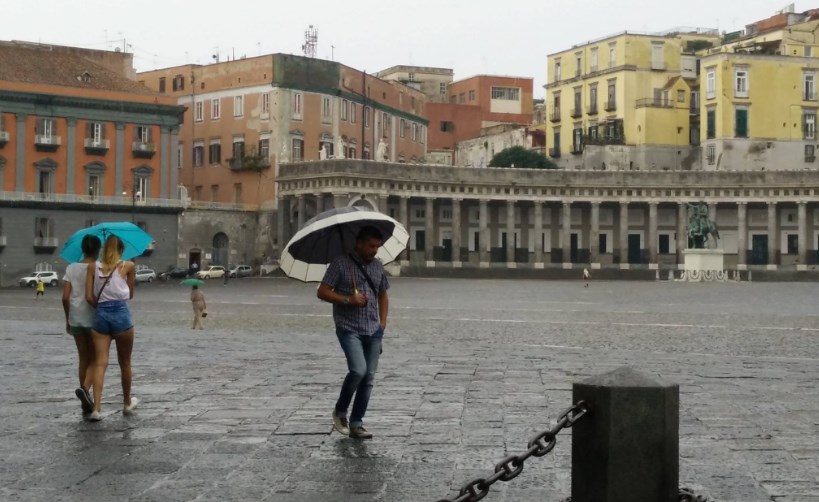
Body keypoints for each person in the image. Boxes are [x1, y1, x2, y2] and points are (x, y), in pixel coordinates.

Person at [317, 226, 390, 440]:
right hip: (349, 327)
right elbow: (322, 291)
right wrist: (348, 299)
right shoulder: (340, 263)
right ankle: (341, 411)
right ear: (359, 243)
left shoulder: (377, 267)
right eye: (371, 246)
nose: (375, 250)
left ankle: (357, 423)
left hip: (373, 329)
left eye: (377, 246)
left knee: (368, 378)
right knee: (358, 370)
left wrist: (382, 323)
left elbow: (383, 295)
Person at [82, 235, 138, 422]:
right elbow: (130, 294)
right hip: (121, 314)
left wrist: (101, 307)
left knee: (100, 362)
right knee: (125, 363)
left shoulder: (92, 267)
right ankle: (127, 402)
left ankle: (97, 408)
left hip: (101, 314)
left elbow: (89, 296)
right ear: (121, 250)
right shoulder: (127, 266)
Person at [62, 234, 102, 414]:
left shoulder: (71, 268)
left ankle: (85, 398)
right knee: (96, 359)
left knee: (83, 358)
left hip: (76, 317)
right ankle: (86, 391)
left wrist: (67, 318)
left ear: (82, 249)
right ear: (97, 249)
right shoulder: (98, 268)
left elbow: (65, 297)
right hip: (94, 317)